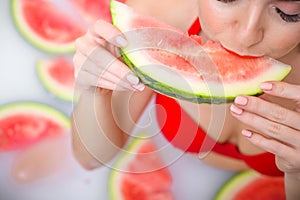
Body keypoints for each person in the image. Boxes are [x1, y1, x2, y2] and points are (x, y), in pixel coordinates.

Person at [71, 0, 300, 199]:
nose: (247, 35)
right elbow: (90, 159)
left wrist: (297, 173)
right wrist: (95, 91)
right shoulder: (162, 11)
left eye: (289, 13)